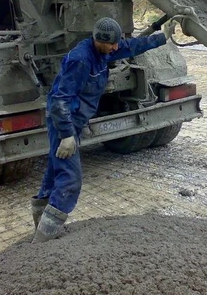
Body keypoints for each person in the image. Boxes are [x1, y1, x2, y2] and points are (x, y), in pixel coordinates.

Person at [31, 16, 174, 243]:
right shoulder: (81, 60)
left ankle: (41, 230)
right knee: (70, 179)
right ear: (98, 40)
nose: (115, 48)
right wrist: (67, 135)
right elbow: (59, 100)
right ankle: (45, 241)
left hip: (74, 122)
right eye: (111, 44)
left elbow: (130, 46)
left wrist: (162, 37)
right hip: (63, 123)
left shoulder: (105, 51)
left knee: (54, 173)